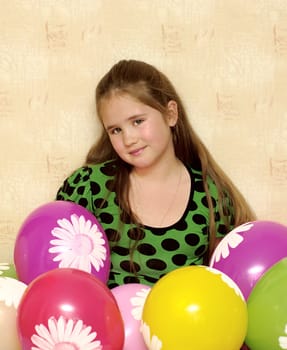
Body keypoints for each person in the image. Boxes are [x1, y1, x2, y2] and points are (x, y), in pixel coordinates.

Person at [56, 59, 256, 290]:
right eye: (116, 130)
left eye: (138, 121)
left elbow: (226, 287)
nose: (129, 139)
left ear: (170, 114)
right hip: (104, 324)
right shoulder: (89, 187)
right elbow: (57, 275)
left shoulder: (211, 198)